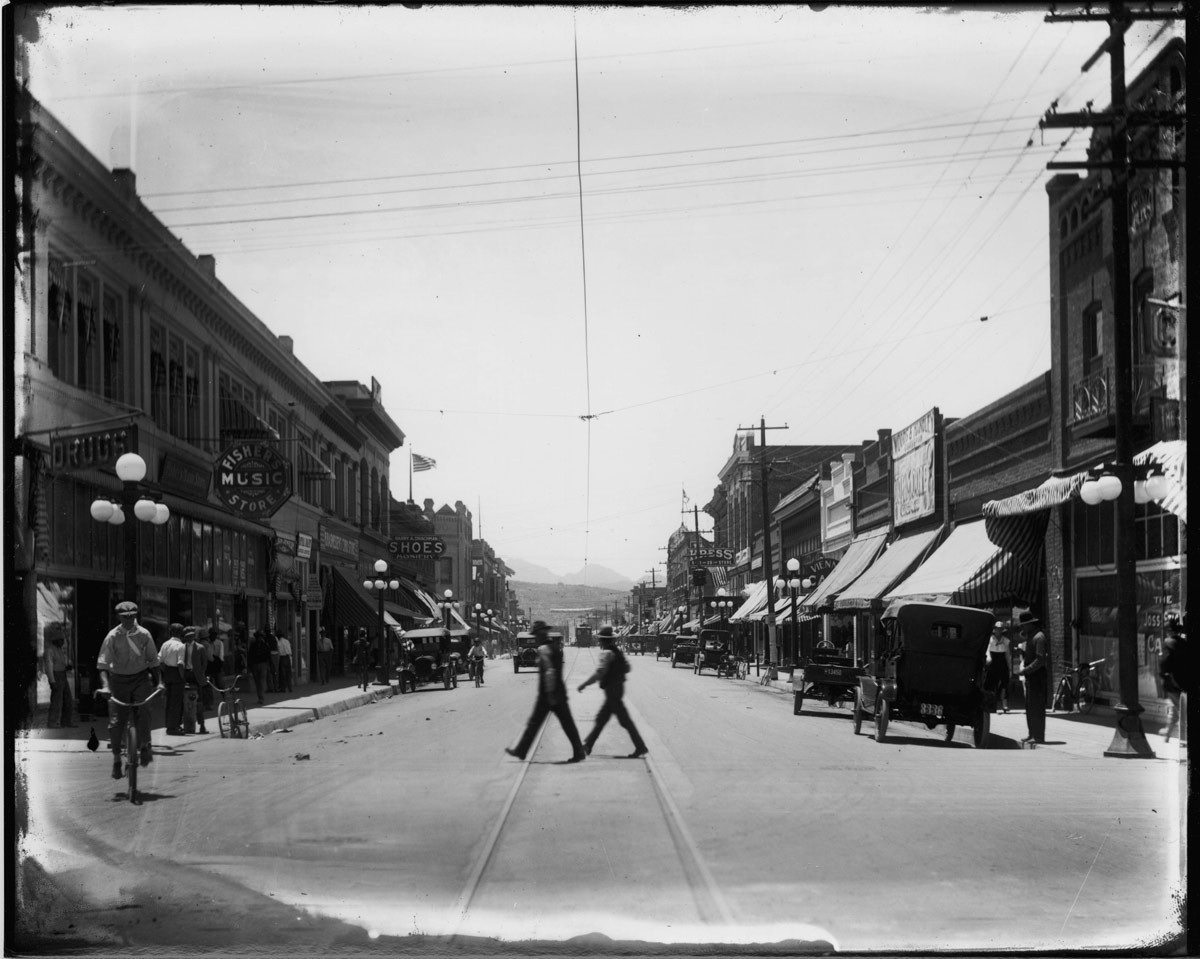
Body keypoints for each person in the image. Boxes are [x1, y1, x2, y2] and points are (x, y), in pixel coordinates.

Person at [96, 601, 164, 779]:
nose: (129, 620)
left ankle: (145, 745)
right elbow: (102, 665)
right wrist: (105, 686)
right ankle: (117, 759)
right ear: (119, 617)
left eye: (132, 616)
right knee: (117, 721)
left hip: (140, 678)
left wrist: (160, 683)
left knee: (144, 710)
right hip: (118, 681)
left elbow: (154, 662)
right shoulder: (112, 636)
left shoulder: (144, 634)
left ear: (136, 616)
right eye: (125, 617)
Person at [506, 621, 586, 763]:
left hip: (548, 695)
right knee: (567, 723)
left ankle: (521, 750)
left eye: (536, 635)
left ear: (540, 634)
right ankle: (578, 751)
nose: (535, 638)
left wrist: (549, 694)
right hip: (559, 692)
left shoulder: (543, 649)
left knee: (534, 723)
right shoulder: (555, 648)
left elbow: (549, 672)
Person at [578, 626, 648, 758]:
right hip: (617, 690)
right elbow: (627, 668)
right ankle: (588, 745)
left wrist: (584, 684)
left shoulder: (607, 654)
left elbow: (600, 672)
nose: (599, 642)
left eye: (600, 640)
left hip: (612, 691)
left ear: (604, 641)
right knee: (602, 719)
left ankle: (640, 746)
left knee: (623, 721)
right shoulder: (618, 652)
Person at [1014, 611, 1049, 744]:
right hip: (1031, 676)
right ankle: (1032, 733)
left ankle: (1038, 736)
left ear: (1030, 624)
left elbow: (1040, 659)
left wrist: (1026, 670)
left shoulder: (1039, 637)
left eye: (1024, 625)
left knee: (1037, 707)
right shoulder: (1032, 636)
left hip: (1037, 676)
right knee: (1029, 706)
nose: (1022, 628)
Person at [1159, 612, 1190, 742]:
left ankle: (1182, 738)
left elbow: (1164, 662)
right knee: (1177, 708)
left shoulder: (1167, 642)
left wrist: (1163, 674)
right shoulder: (1183, 643)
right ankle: (1168, 733)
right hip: (1183, 681)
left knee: (1180, 710)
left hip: (1173, 683)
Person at [43, 622, 77, 728]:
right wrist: (52, 681)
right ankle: (52, 722)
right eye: (61, 640)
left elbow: (59, 663)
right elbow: (49, 667)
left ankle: (66, 721)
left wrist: (66, 667)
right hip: (56, 676)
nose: (63, 642)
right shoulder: (49, 650)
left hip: (62, 675)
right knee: (56, 701)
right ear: (55, 640)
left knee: (68, 700)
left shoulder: (58, 649)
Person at [158, 623, 188, 735]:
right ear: (181, 633)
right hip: (176, 674)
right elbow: (180, 663)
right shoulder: (181, 646)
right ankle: (173, 727)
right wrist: (182, 676)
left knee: (169, 701)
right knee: (176, 702)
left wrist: (166, 671)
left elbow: (159, 661)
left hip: (168, 674)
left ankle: (170, 725)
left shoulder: (165, 644)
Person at [183, 626, 211, 734]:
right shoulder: (182, 647)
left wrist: (200, 673)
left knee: (199, 701)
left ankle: (202, 725)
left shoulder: (200, 648)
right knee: (185, 700)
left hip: (197, 676)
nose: (189, 638)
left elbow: (204, 663)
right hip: (186, 675)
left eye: (191, 636)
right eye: (187, 636)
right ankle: (186, 725)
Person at [984, 620, 1012, 713]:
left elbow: (1008, 655)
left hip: (1002, 662)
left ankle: (1005, 705)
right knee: (991, 684)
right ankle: (992, 706)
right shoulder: (990, 639)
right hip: (993, 662)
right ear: (994, 630)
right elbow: (987, 650)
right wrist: (988, 658)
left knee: (1004, 683)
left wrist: (1010, 668)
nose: (998, 631)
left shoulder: (1006, 641)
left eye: (1000, 629)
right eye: (997, 629)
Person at [247, 629, 271, 705]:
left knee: (261, 682)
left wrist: (268, 665)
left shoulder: (265, 645)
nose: (260, 638)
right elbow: (250, 656)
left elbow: (268, 656)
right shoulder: (253, 645)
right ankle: (260, 697)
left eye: (261, 637)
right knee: (258, 682)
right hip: (256, 665)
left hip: (262, 665)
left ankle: (261, 697)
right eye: (259, 637)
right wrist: (249, 666)